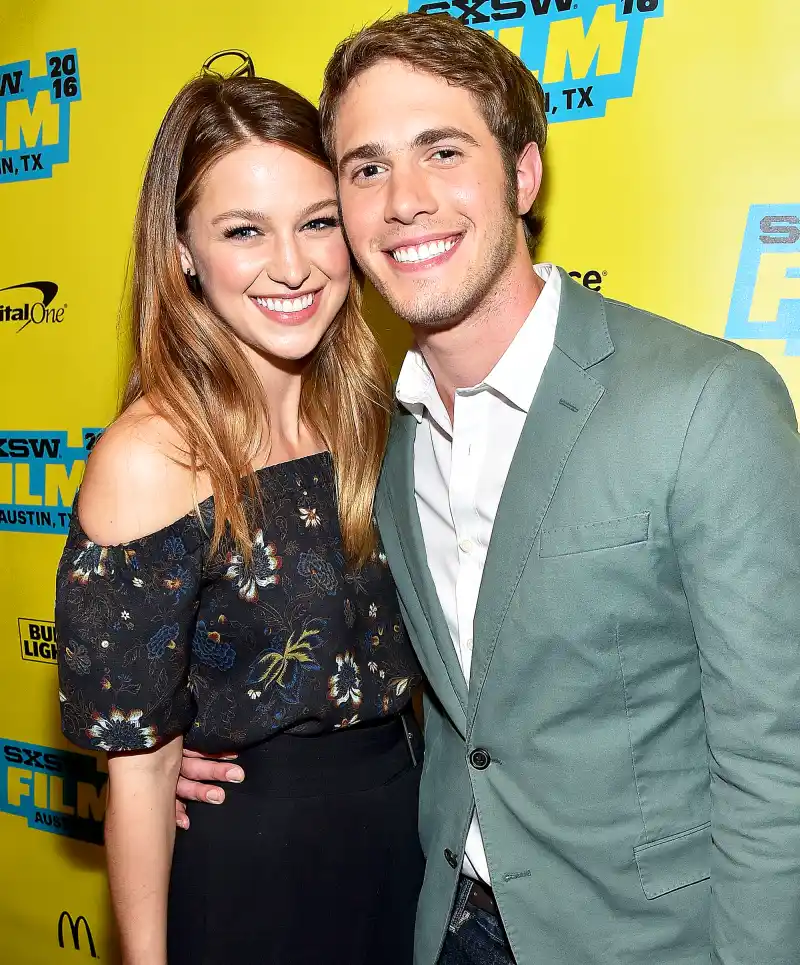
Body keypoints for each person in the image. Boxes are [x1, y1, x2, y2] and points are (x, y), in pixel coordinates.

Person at [176, 13, 800, 965]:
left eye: (443, 150)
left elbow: (775, 759)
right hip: (434, 923)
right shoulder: (373, 439)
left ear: (522, 174)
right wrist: (190, 749)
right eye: (367, 168)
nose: (405, 201)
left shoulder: (704, 400)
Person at [55, 70, 424, 965]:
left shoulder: (383, 413)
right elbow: (139, 770)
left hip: (412, 849)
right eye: (243, 231)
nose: (291, 266)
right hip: (257, 879)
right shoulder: (150, 459)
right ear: (182, 248)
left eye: (317, 221)